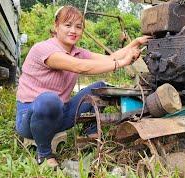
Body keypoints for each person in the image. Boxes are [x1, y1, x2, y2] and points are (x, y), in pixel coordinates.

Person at [15, 5, 150, 168]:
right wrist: (122, 63)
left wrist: (136, 42)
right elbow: (80, 67)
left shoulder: (77, 51)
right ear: (56, 25)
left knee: (99, 87)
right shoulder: (43, 49)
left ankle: (89, 131)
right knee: (50, 100)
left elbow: (110, 57)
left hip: (61, 115)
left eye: (78, 27)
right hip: (30, 119)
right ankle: (44, 154)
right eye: (67, 25)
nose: (73, 30)